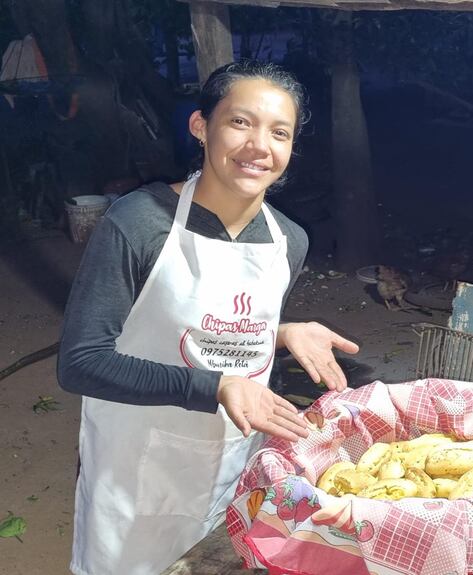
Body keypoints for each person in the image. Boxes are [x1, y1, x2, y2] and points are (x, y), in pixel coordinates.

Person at [57, 60, 359, 575]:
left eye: (279, 132)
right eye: (240, 122)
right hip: (135, 467)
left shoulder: (289, 240)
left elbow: (217, 323)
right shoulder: (138, 222)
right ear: (201, 127)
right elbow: (81, 363)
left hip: (230, 464)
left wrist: (282, 333)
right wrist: (216, 387)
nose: (259, 145)